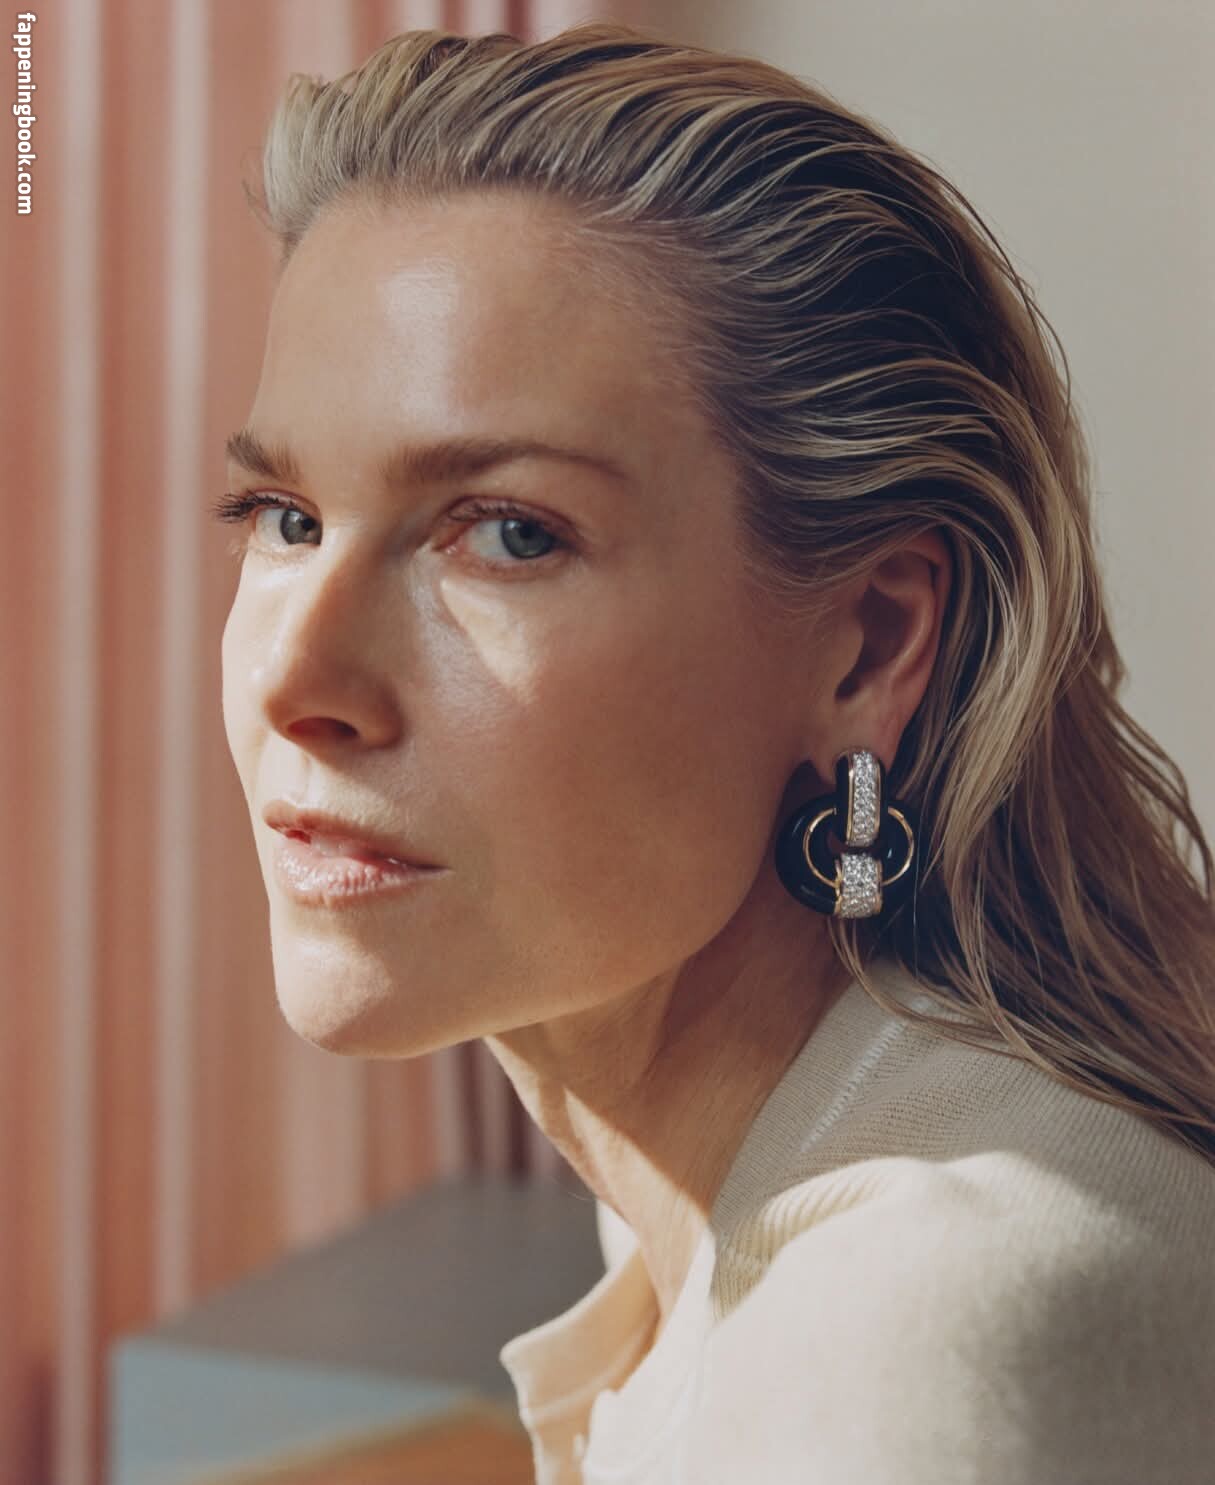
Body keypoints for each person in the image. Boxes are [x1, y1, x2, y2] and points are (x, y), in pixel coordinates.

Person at [215, 20, 1215, 1484]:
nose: (299, 679)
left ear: (867, 644)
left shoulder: (913, 1327)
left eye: (510, 534)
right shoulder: (714, 1193)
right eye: (286, 518)